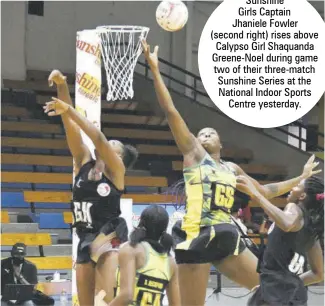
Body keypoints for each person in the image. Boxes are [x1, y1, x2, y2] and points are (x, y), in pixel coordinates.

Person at [141, 39, 321, 305]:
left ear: (221, 143)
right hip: (196, 234)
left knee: (269, 290)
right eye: (201, 132)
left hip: (226, 234)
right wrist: (155, 71)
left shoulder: (231, 168)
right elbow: (171, 111)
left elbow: (265, 191)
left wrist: (301, 178)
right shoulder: (193, 155)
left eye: (211, 132)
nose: (205, 134)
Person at [46, 71, 138, 305]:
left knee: (103, 301)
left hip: (109, 236)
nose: (109, 144)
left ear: (119, 158)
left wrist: (70, 111)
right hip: (85, 238)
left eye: (114, 146)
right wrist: (62, 85)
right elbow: (70, 127)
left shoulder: (117, 172)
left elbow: (97, 138)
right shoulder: (83, 161)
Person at [236, 175, 324, 306]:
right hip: (295, 295)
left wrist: (256, 194)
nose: (292, 188)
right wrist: (287, 282)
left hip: (274, 294)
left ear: (302, 196)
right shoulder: (312, 230)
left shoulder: (293, 208)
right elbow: (318, 274)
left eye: (297, 186)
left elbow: (287, 223)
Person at [109, 205, 180, 306]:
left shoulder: (131, 250)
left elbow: (126, 296)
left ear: (141, 223)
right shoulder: (171, 262)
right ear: (164, 229)